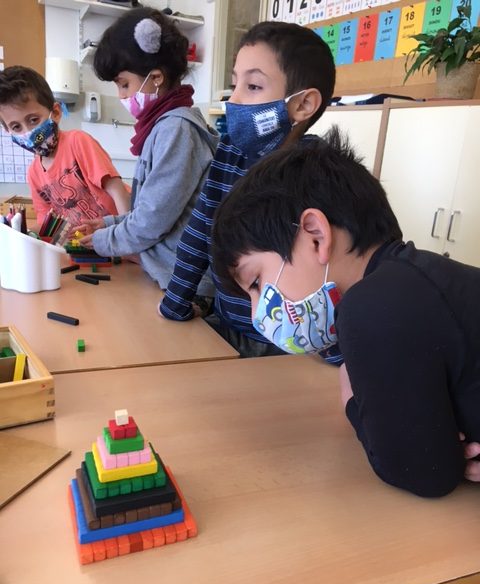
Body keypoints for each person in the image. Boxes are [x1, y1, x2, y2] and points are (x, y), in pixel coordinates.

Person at [211, 128, 479, 584]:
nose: (259, 311)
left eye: (257, 282)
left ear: (316, 235)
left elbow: (421, 472)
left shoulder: (372, 306)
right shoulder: (412, 275)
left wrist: (353, 401)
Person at [159, 21, 341, 362]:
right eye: (235, 84)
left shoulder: (319, 173)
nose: (235, 99)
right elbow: (201, 229)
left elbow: (335, 269)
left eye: (253, 86)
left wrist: (336, 356)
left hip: (291, 349)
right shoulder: (230, 152)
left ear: (303, 105)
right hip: (227, 325)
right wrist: (176, 302)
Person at [74, 7, 218, 291]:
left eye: (124, 84)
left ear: (156, 77)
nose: (121, 96)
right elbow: (154, 210)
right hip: (168, 276)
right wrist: (109, 224)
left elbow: (152, 221)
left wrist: (104, 241)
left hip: (187, 288)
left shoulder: (176, 130)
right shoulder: (164, 127)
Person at [0, 66, 131, 227]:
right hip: (87, 241)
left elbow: (117, 191)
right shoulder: (34, 174)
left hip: (118, 232)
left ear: (55, 112)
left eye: (33, 120)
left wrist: (127, 235)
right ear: (8, 131)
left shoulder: (78, 142)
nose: (28, 132)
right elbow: (45, 222)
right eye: (16, 127)